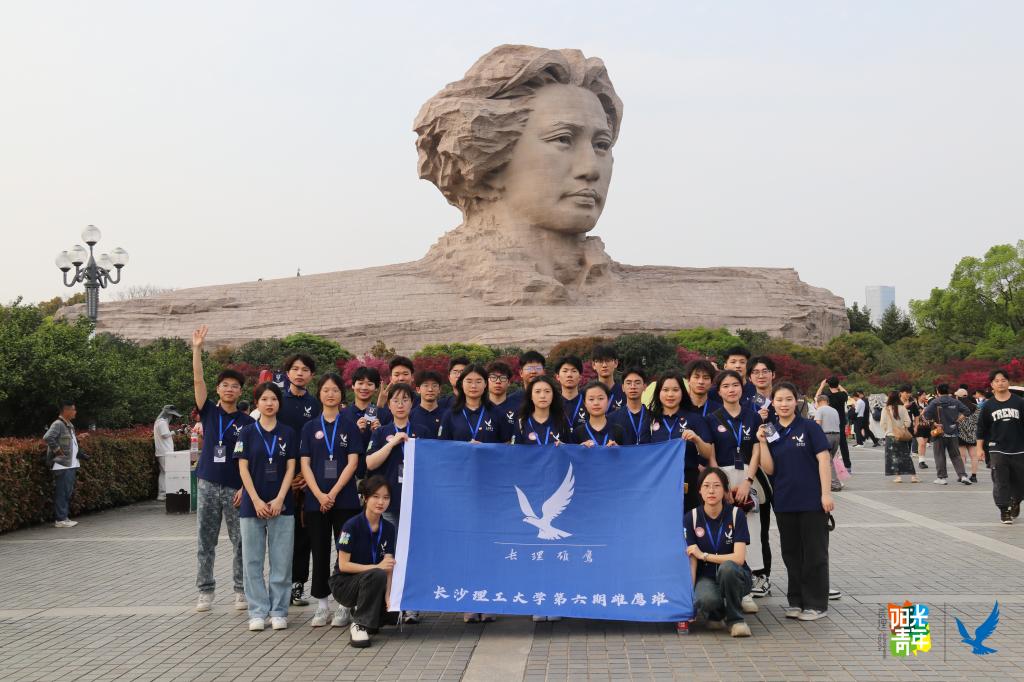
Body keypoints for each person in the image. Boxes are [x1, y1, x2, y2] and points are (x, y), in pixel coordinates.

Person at [756, 382, 834, 621]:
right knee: (791, 554)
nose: (784, 404)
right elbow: (770, 469)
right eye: (779, 400)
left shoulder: (809, 427)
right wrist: (762, 443)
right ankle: (796, 601)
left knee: (814, 553)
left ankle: (816, 604)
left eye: (788, 399)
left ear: (796, 401)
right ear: (773, 403)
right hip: (784, 501)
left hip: (812, 501)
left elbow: (823, 460)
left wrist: (826, 494)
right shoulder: (770, 430)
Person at [191, 325, 254, 613]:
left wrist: (244, 488)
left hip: (234, 488)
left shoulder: (247, 423)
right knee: (205, 540)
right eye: (225, 385)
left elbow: (251, 459)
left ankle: (241, 590)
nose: (229, 389)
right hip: (207, 483)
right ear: (218, 389)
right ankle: (205, 590)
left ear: (241, 391)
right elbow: (198, 380)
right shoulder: (209, 411)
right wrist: (197, 350)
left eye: (235, 386)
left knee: (240, 541)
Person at [366, 382, 435, 624]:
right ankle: (391, 602)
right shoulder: (381, 432)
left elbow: (434, 464)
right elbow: (370, 463)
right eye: (395, 400)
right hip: (389, 505)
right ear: (389, 405)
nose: (400, 404)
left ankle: (412, 604)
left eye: (405, 400)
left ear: (412, 404)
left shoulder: (423, 430)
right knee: (390, 554)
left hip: (417, 504)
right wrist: (393, 442)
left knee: (414, 554)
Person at [299, 373, 361, 629]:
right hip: (316, 502)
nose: (330, 394)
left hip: (344, 501)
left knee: (345, 552)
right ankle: (322, 605)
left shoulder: (350, 426)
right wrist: (319, 495)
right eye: (325, 390)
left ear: (341, 395)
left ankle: (345, 605)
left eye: (335, 390)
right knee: (320, 551)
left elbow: (353, 462)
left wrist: (333, 494)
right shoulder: (309, 427)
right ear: (319, 394)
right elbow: (305, 463)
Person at [235, 381, 298, 631]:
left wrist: (281, 498)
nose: (269, 403)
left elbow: (291, 467)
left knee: (281, 561)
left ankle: (279, 610)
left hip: (282, 505)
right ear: (257, 403)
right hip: (253, 506)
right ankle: (257, 611)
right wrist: (256, 500)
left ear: (279, 403)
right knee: (252, 561)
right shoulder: (247, 432)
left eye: (273, 399)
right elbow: (242, 468)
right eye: (264, 399)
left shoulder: (288, 433)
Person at [704, 370, 763, 615]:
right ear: (719, 391)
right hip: (722, 479)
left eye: (735, 385)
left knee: (750, 534)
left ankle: (746, 591)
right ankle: (726, 588)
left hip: (748, 478)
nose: (731, 389)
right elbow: (711, 455)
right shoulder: (711, 418)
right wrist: (722, 486)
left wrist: (748, 481)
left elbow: (758, 450)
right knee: (726, 534)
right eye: (726, 386)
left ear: (742, 387)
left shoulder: (753, 416)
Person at [329, 476, 397, 648]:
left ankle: (364, 613)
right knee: (377, 573)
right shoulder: (351, 526)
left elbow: (388, 566)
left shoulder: (389, 529)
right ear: (365, 498)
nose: (381, 502)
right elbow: (344, 565)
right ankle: (358, 624)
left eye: (386, 497)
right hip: (344, 584)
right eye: (375, 496)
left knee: (392, 616)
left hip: (373, 580)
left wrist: (388, 597)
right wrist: (376, 567)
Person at [684, 467, 753, 637]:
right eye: (706, 486)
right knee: (704, 599)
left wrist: (705, 556)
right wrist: (688, 600)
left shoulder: (736, 514)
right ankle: (716, 613)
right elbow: (692, 561)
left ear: (725, 490)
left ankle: (736, 620)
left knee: (727, 568)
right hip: (706, 576)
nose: (711, 491)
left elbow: (738, 558)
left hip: (736, 575)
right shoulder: (691, 517)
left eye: (717, 486)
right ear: (699, 490)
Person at [277, 353, 322, 608]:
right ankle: (279, 585)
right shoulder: (277, 401)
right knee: (282, 536)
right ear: (287, 374)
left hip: (307, 479)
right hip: (281, 478)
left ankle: (297, 585)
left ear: (311, 375)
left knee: (304, 535)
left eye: (305, 369)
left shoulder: (315, 404)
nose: (300, 373)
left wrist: (305, 474)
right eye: (295, 369)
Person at [649, 371, 714, 511]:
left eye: (675, 390)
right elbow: (642, 452)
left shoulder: (695, 419)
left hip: (688, 481)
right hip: (658, 481)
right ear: (658, 393)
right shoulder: (650, 420)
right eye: (665, 390)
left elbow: (708, 453)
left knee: (688, 521)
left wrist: (696, 439)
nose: (670, 394)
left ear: (683, 393)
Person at [976, 369, 1024, 524]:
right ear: (992, 385)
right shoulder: (988, 405)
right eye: (997, 381)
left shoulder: (1019, 402)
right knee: (1000, 480)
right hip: (996, 448)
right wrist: (979, 448)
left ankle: (1016, 501)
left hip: (1019, 448)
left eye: (1003, 380)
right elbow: (981, 428)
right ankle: (1004, 510)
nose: (1000, 383)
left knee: (1020, 481)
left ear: (1008, 382)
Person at [439, 364, 509, 444]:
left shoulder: (497, 413)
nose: (473, 386)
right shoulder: (450, 414)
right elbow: (443, 445)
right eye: (469, 381)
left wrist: (485, 448)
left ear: (485, 384)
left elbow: (507, 445)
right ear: (462, 384)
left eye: (478, 382)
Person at [924, 384, 972, 486]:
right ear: (948, 391)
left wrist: (934, 423)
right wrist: (958, 420)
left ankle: (941, 477)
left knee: (939, 455)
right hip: (953, 432)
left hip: (939, 432)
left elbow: (926, 414)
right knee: (956, 456)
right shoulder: (955, 401)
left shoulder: (935, 402)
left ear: (938, 391)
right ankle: (963, 476)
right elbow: (967, 411)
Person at [44, 399, 82, 528]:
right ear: (66, 410)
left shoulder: (68, 425)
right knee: (62, 492)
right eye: (73, 409)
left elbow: (65, 441)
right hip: (63, 464)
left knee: (67, 492)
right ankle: (60, 519)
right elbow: (48, 437)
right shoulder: (58, 424)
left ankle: (64, 518)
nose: (75, 412)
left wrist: (78, 439)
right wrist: (57, 450)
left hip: (70, 464)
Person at [513, 376, 574, 446]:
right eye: (537, 391)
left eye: (547, 391)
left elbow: (571, 449)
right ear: (531, 396)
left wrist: (564, 446)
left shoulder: (562, 421)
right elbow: (515, 451)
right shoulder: (522, 423)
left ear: (553, 395)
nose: (542, 396)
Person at [341, 366, 384, 453]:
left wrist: (380, 432)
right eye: (360, 383)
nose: (364, 387)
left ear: (376, 388)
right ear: (353, 385)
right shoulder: (342, 414)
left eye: (369, 384)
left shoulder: (384, 414)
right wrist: (354, 432)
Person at [880, 391, 917, 483]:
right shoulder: (903, 408)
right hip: (901, 436)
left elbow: (882, 423)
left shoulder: (886, 409)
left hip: (890, 436)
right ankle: (913, 476)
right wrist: (902, 428)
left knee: (894, 457)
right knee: (906, 456)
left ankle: (898, 477)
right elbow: (908, 422)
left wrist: (887, 429)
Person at [573, 381, 625, 446]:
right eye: (591, 399)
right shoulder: (578, 433)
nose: (596, 403)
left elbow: (628, 452)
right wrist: (579, 449)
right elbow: (570, 452)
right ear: (584, 403)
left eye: (600, 398)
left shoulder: (619, 431)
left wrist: (618, 449)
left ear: (608, 401)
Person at [608, 367, 651, 446]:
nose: (633, 386)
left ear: (645, 387)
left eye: (637, 383)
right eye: (628, 383)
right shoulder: (612, 418)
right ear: (623, 387)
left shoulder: (653, 417)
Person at [813, 395, 844, 492]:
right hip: (837, 436)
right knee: (830, 460)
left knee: (827, 461)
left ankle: (835, 484)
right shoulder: (834, 410)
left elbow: (817, 425)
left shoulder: (820, 410)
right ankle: (828, 481)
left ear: (819, 402)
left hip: (826, 436)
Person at [152, 405, 181, 502]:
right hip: (165, 452)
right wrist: (174, 432)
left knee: (164, 473)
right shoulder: (162, 422)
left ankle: (162, 494)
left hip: (162, 452)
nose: (172, 417)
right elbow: (164, 435)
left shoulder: (158, 422)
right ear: (167, 414)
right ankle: (164, 494)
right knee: (168, 473)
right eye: (171, 415)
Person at [486, 361, 520, 434]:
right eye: (493, 377)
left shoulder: (518, 407)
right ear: (486, 381)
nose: (498, 381)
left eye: (503, 378)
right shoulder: (479, 406)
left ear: (509, 382)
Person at [555, 355, 588, 428]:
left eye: (574, 371)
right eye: (565, 371)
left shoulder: (588, 401)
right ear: (558, 377)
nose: (569, 375)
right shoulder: (553, 403)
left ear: (580, 377)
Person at [590, 345, 625, 412]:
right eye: (600, 361)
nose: (604, 365)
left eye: (608, 361)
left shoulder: (625, 391)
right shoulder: (587, 393)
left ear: (616, 363)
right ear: (593, 365)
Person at [411, 370, 445, 435]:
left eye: (434, 386)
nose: (430, 389)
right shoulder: (410, 416)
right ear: (418, 390)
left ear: (439, 389)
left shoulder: (447, 416)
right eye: (426, 385)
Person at [957, 393, 981, 483]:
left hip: (961, 434)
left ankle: (962, 475)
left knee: (962, 456)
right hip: (973, 434)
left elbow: (957, 420)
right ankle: (974, 476)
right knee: (974, 456)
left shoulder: (960, 408)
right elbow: (979, 420)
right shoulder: (977, 408)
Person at [911, 390, 932, 469]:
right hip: (918, 426)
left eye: (925, 395)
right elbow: (914, 416)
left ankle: (922, 461)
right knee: (921, 444)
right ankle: (920, 462)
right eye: (923, 395)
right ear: (919, 396)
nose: (925, 396)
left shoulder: (927, 404)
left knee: (924, 445)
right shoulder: (914, 404)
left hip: (926, 426)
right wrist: (923, 412)